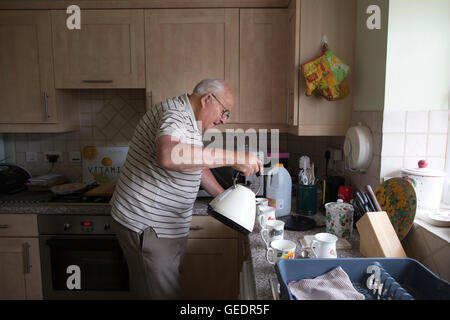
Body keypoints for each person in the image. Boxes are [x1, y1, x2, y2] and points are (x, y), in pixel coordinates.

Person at [110, 78, 262, 299]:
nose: (223, 120)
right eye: (224, 112)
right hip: (148, 224)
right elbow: (168, 154)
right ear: (207, 99)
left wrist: (222, 196)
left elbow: (194, 165)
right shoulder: (175, 114)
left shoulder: (190, 121)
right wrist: (235, 157)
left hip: (165, 225)